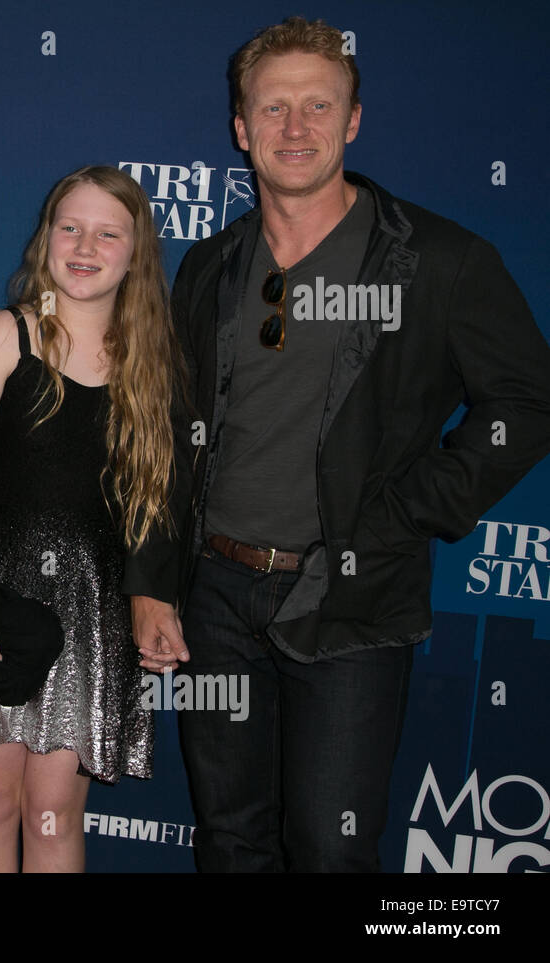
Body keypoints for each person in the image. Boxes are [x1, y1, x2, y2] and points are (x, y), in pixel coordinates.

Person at [133, 16, 550, 871]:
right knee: (230, 836)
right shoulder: (210, 265)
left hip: (352, 604)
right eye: (274, 108)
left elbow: (528, 402)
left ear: (353, 120)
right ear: (241, 128)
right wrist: (152, 581)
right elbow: (168, 436)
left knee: (331, 848)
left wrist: (406, 512)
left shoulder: (437, 261)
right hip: (215, 600)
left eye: (318, 105)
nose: (296, 128)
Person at [0, 166, 185, 871]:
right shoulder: (8, 336)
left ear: (137, 251)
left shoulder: (150, 364)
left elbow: (153, 506)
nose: (85, 245)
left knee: (54, 809)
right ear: (45, 238)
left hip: (93, 613)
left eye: (108, 231)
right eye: (70, 226)